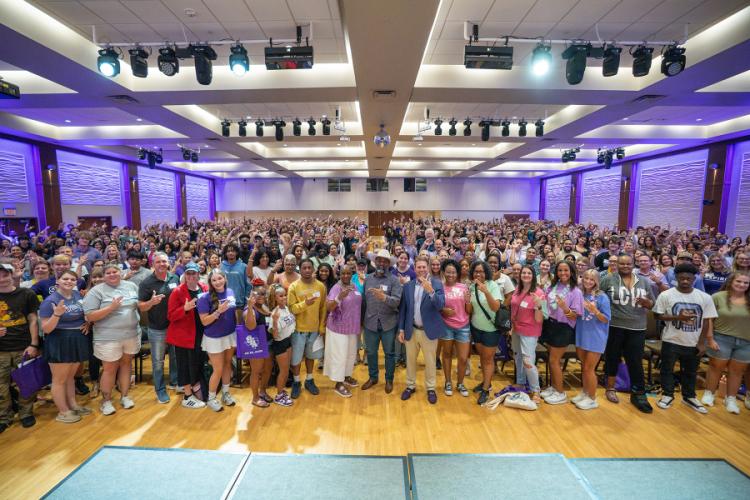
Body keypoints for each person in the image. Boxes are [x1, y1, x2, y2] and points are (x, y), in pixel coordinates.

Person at [654, 263, 717, 414]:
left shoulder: (705, 297)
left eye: (688, 278)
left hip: (694, 341)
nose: (685, 281)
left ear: (694, 279)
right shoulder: (666, 295)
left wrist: (702, 343)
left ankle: (689, 396)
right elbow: (657, 315)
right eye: (681, 278)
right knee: (667, 369)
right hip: (671, 339)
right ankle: (667, 395)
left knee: (690, 371)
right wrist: (678, 317)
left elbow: (708, 320)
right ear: (676, 278)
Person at [599, 254, 656, 413]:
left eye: (628, 264)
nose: (625, 266)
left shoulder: (643, 281)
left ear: (633, 264)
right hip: (614, 326)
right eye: (622, 264)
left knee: (635, 361)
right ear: (617, 264)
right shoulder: (609, 279)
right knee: (612, 357)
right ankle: (610, 388)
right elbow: (597, 295)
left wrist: (646, 303)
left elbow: (653, 303)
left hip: (637, 328)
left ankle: (638, 393)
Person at [83, 263, 140, 416]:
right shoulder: (96, 291)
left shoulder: (131, 286)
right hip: (107, 337)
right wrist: (111, 308)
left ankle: (125, 396)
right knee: (110, 369)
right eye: (108, 273)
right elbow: (90, 316)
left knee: (127, 365)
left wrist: (150, 303)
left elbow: (138, 306)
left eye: (115, 271)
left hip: (131, 334)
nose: (112, 274)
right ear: (103, 276)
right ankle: (106, 401)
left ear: (120, 272)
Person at [39, 270, 92, 423]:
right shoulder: (50, 300)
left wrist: (87, 323)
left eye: (72, 279)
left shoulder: (77, 296)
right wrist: (56, 315)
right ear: (58, 281)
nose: (69, 281)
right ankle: (63, 411)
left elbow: (84, 314)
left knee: (70, 378)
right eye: (65, 279)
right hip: (59, 340)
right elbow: (46, 329)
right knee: (59, 379)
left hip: (76, 339)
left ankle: (73, 405)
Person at [398, 255, 446, 404]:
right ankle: (410, 385)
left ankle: (431, 388)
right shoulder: (408, 286)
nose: (421, 269)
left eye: (424, 267)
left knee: (430, 361)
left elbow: (440, 305)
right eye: (418, 267)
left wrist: (431, 291)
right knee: (410, 360)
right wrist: (401, 329)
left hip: (428, 331)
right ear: (415, 269)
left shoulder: (437, 284)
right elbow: (403, 310)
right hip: (411, 329)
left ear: (428, 268)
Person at [0, 260, 40, 432]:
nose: (2, 280)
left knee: (26, 383)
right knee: (1, 387)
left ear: (11, 275)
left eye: (5, 275)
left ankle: (26, 413)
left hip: (23, 346)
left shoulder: (26, 294)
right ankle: (4, 416)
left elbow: (33, 320)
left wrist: (34, 344)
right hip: (1, 350)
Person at [702, 272, 750, 413]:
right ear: (731, 281)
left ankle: (731, 399)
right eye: (739, 281)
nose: (742, 285)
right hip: (721, 337)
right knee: (716, 367)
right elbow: (709, 318)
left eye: (746, 283)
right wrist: (710, 338)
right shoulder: (718, 297)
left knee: (737, 371)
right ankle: (709, 393)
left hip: (746, 341)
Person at [137, 252, 180, 403]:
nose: (162, 264)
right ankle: (160, 390)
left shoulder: (174, 278)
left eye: (164, 261)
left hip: (175, 326)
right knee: (158, 362)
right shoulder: (146, 283)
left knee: (175, 357)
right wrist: (151, 303)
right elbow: (141, 306)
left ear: (168, 263)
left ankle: (175, 382)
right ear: (153, 264)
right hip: (157, 328)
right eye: (158, 262)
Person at [541, 261, 583, 405]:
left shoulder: (575, 291)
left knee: (554, 360)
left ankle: (560, 392)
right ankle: (553, 387)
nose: (563, 273)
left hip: (564, 328)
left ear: (571, 272)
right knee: (552, 360)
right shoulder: (553, 286)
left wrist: (565, 308)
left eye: (566, 270)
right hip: (551, 324)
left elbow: (575, 315)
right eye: (560, 270)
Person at [166, 262, 208, 409]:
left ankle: (195, 388)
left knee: (196, 362)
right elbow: (170, 316)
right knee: (184, 364)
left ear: (198, 275)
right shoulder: (177, 292)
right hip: (183, 336)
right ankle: (187, 396)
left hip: (200, 333)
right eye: (188, 274)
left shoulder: (204, 288)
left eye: (194, 273)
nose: (191, 276)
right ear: (185, 275)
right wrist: (184, 308)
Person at [362, 250, 403, 393]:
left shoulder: (394, 280)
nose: (381, 263)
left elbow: (397, 302)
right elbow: (364, 301)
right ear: (375, 261)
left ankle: (389, 379)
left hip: (388, 324)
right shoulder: (367, 279)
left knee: (389, 353)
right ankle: (373, 377)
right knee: (371, 352)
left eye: (385, 261)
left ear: (388, 264)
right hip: (370, 323)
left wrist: (384, 298)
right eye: (379, 260)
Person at [197, 270, 238, 412]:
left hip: (230, 335)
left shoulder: (231, 292)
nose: (218, 282)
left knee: (228, 365)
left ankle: (226, 394)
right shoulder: (204, 298)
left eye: (220, 278)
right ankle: (211, 398)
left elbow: (233, 315)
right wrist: (218, 311)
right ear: (210, 283)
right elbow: (204, 322)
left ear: (225, 278)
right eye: (214, 280)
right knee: (218, 369)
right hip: (214, 338)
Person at [287, 259, 327, 399]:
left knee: (311, 356)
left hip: (314, 330)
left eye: (309, 267)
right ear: (300, 269)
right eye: (304, 268)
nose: (307, 270)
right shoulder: (294, 286)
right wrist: (305, 304)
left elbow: (323, 308)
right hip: (298, 330)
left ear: (313, 269)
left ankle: (309, 380)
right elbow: (292, 309)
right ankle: (297, 382)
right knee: (296, 359)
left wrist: (321, 326)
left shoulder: (320, 286)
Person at [573, 269, 611, 410]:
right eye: (586, 278)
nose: (588, 281)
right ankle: (585, 392)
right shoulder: (580, 294)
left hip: (596, 336)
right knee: (584, 367)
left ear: (596, 281)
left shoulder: (602, 297)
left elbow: (606, 319)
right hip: (582, 333)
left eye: (592, 279)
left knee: (589, 368)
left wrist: (595, 311)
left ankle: (592, 398)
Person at [467, 260, 503, 405]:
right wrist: (466, 302)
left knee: (488, 360)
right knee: (482, 357)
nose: (478, 274)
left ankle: (486, 389)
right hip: (476, 328)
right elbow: (471, 310)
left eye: (481, 271)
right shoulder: (471, 286)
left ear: (486, 272)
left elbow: (495, 308)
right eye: (476, 271)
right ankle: (484, 383)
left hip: (491, 330)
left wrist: (486, 292)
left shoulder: (493, 286)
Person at [510, 265, 547, 404]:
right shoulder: (517, 290)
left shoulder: (539, 293)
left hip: (530, 331)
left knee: (528, 361)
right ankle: (520, 383)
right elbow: (513, 309)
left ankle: (535, 390)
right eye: (523, 273)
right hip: (516, 329)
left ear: (533, 276)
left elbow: (539, 319)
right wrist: (511, 326)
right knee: (518, 357)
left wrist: (538, 305)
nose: (525, 275)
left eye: (528, 273)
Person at [324, 267, 362, 397]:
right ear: (339, 274)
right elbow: (329, 307)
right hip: (338, 327)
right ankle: (338, 383)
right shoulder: (336, 288)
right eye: (343, 273)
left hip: (352, 326)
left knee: (351, 354)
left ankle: (346, 376)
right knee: (339, 356)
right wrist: (339, 297)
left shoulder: (355, 286)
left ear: (352, 274)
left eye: (348, 273)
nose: (346, 275)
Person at [439, 260, 471, 397]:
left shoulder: (464, 287)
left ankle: (460, 383)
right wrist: (443, 310)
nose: (450, 274)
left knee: (463, 358)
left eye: (453, 272)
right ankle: (447, 381)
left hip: (463, 326)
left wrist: (469, 301)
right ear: (443, 272)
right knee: (446, 354)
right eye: (448, 271)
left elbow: (469, 310)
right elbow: (436, 307)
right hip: (446, 326)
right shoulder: (439, 287)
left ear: (457, 273)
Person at [242, 287, 274, 407]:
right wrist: (250, 306)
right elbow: (250, 327)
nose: (261, 296)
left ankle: (262, 391)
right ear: (251, 296)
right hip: (256, 345)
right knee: (256, 372)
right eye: (257, 294)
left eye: (263, 294)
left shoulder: (264, 307)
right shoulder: (249, 310)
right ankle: (255, 398)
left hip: (268, 342)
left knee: (267, 369)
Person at [268, 284, 295, 407]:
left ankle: (282, 390)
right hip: (280, 343)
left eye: (285, 295)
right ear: (275, 298)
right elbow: (274, 335)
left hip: (288, 340)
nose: (284, 297)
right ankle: (279, 395)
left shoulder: (286, 308)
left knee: (286, 370)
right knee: (283, 371)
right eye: (280, 296)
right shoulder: (275, 313)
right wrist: (274, 321)